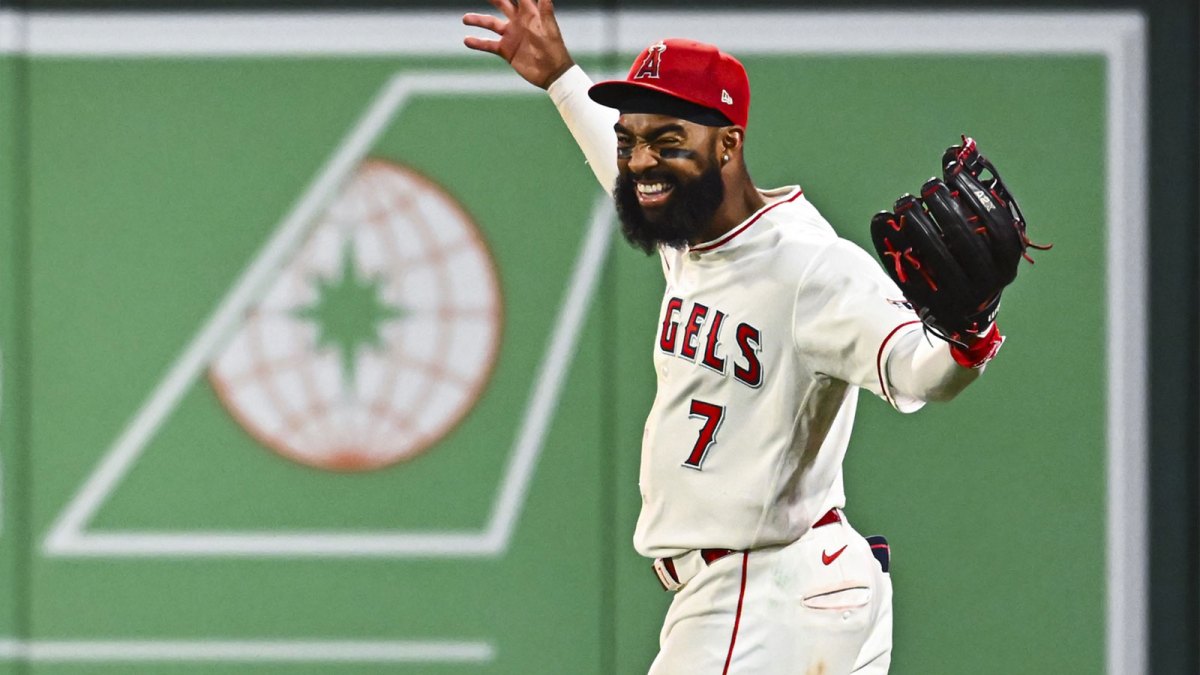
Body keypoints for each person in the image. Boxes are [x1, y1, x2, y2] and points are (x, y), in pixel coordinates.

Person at [464, 2, 1003, 672]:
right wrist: (562, 79)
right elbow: (627, 174)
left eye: (667, 140)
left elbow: (914, 375)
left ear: (728, 142)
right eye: (633, 139)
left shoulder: (809, 266)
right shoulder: (693, 235)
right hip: (801, 584)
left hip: (763, 588)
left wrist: (969, 338)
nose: (642, 160)